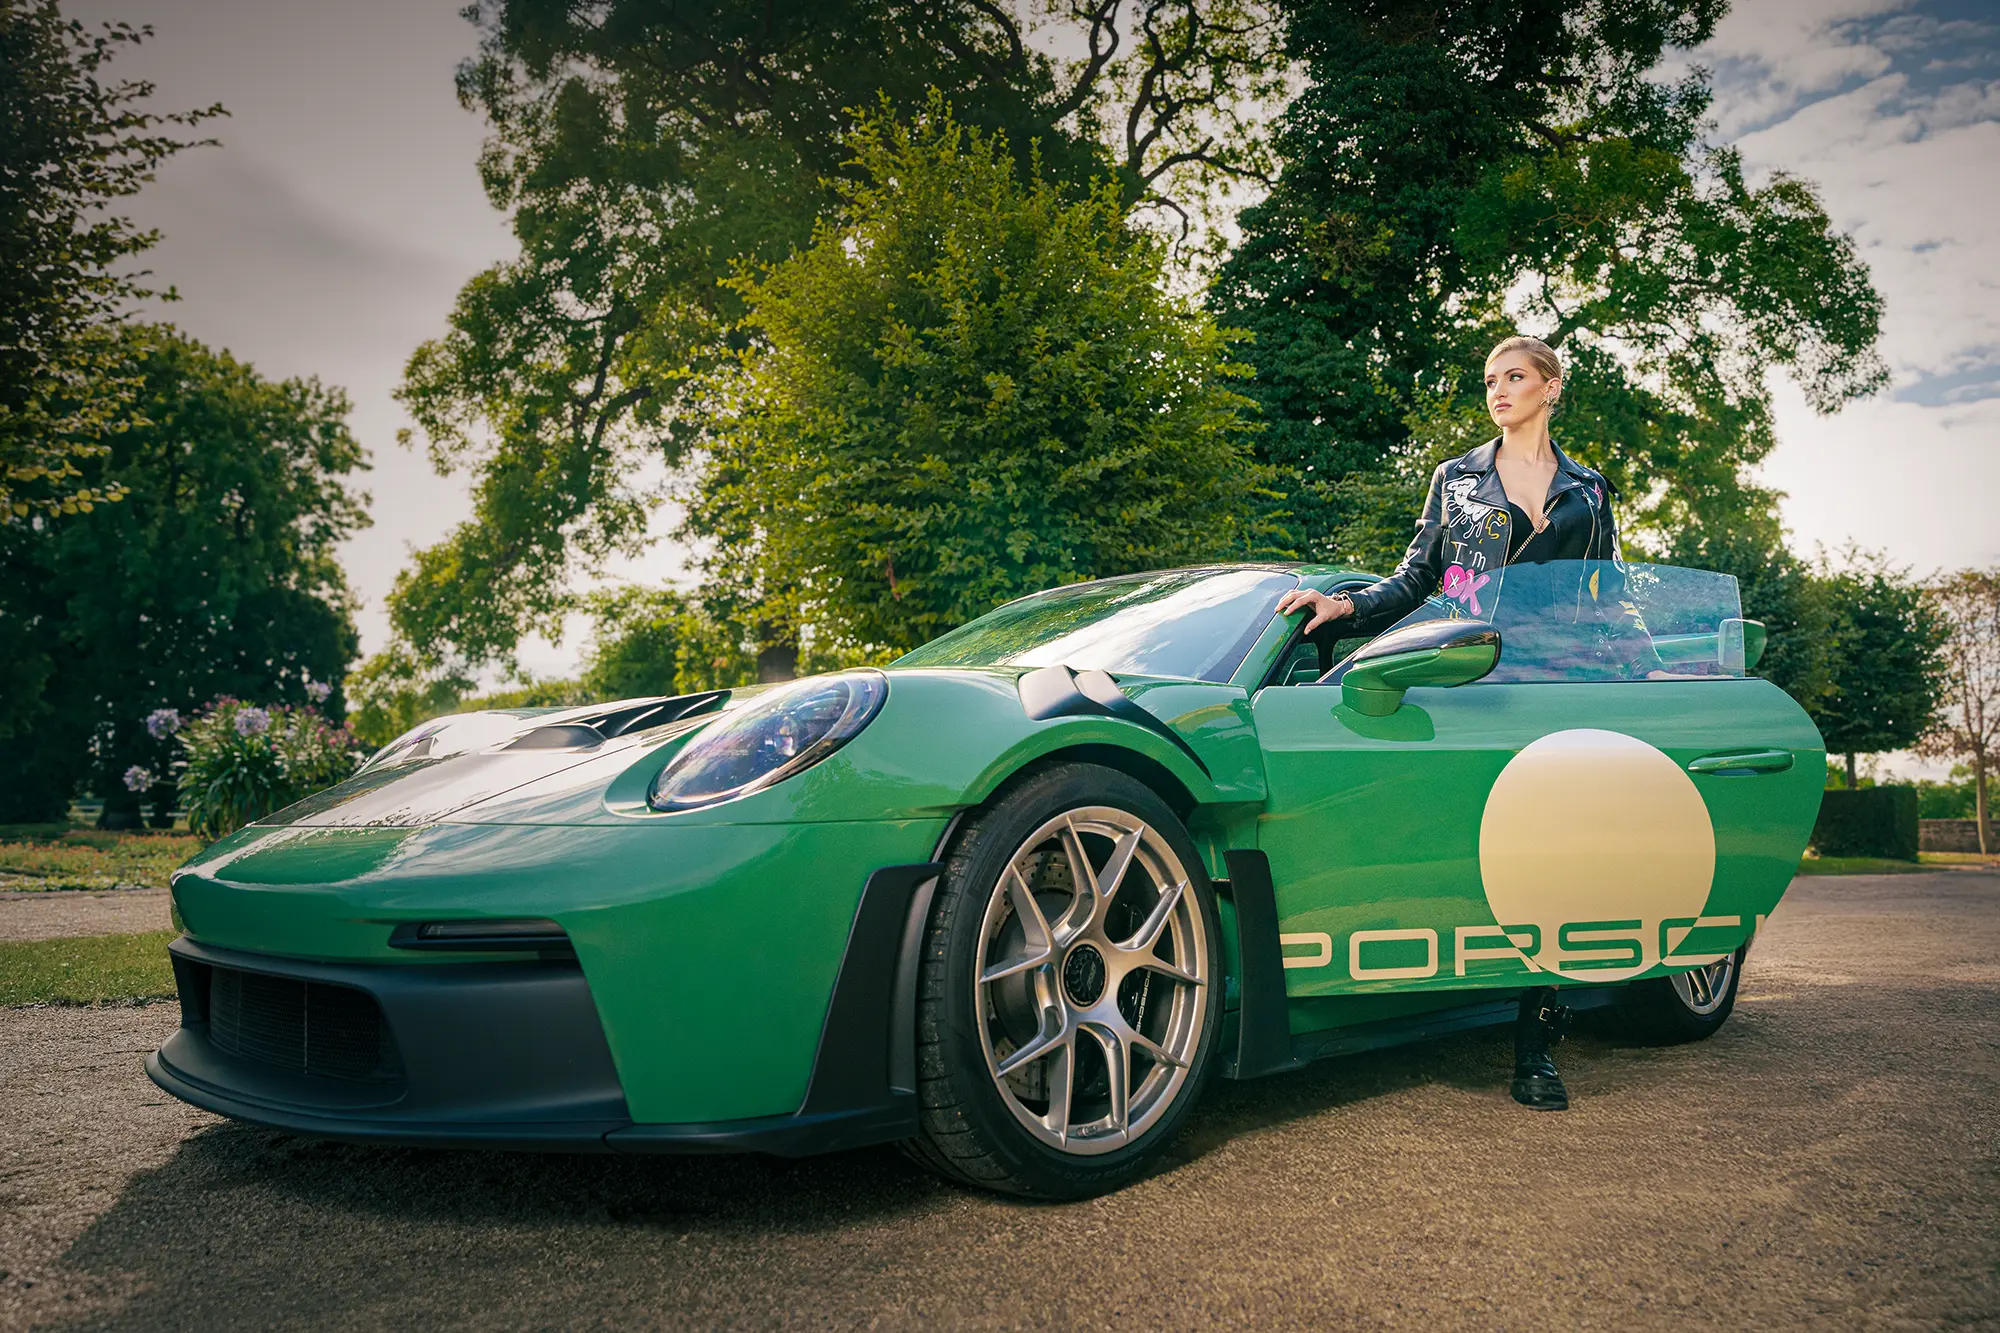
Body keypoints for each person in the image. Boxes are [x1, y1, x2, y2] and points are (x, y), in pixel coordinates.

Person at [1274, 334, 1625, 1112]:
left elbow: (1611, 598)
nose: (1498, 390)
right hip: (1470, 679)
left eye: (1515, 376)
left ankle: (1535, 1044)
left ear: (1551, 386)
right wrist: (1345, 606)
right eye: (1490, 379)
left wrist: (1648, 670)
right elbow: (1415, 579)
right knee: (1471, 842)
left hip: (1556, 687)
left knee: (1552, 856)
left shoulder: (1591, 490)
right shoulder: (1456, 479)